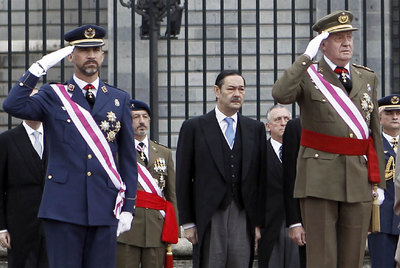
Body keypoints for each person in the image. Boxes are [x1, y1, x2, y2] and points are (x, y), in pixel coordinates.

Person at [2, 24, 138, 268]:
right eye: (84, 50)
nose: (91, 55)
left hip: (104, 205)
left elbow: (128, 158)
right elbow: (13, 105)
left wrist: (128, 206)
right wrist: (39, 67)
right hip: (63, 207)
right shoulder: (53, 94)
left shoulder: (118, 99)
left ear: (103, 55)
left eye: (96, 49)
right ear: (71, 56)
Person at [272, 10, 386, 268]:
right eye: (338, 38)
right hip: (319, 176)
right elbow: (281, 93)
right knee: (322, 258)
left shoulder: (366, 77)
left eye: (349, 37)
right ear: (323, 43)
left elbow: (373, 132)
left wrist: (378, 182)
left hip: (358, 176)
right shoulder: (308, 74)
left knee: (353, 258)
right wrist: (305, 57)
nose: (347, 43)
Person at [176, 70, 268, 268]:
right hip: (209, 214)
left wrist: (258, 222)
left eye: (241, 89)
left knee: (240, 262)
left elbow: (260, 178)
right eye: (231, 89)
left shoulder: (255, 129)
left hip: (243, 213)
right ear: (217, 91)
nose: (237, 94)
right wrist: (188, 222)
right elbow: (183, 177)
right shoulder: (194, 127)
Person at [117, 100, 178, 268]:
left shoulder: (163, 152)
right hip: (127, 227)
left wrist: (174, 228)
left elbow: (171, 193)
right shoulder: (117, 151)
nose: (141, 121)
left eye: (145, 117)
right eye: (135, 117)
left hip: (155, 228)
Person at [0, 91, 48, 268]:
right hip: (19, 226)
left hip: (53, 225)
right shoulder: (6, 140)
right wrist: (1, 227)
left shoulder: (58, 138)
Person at [258, 104, 301, 268]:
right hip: (269, 226)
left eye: (287, 119)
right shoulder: (259, 152)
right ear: (268, 126)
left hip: (298, 224)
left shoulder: (302, 152)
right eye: (278, 119)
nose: (283, 123)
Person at [368, 94, 400, 268]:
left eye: (398, 113)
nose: (395, 117)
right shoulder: (372, 144)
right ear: (379, 118)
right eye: (389, 113)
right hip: (382, 220)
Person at [282, 117, 307, 268]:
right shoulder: (297, 126)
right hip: (310, 213)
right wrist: (295, 221)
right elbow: (290, 177)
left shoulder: (349, 120)